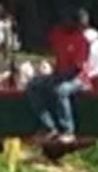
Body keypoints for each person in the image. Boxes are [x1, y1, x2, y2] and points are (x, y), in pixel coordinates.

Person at [26, 10, 91, 143]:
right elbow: (45, 44)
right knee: (33, 85)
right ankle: (49, 127)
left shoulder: (82, 40)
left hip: (77, 78)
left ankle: (68, 131)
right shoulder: (57, 33)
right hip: (58, 74)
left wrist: (59, 78)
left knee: (61, 90)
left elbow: (76, 69)